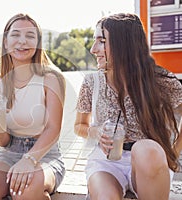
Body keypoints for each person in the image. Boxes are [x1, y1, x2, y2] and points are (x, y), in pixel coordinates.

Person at [74, 13, 182, 200]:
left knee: (145, 148)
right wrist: (96, 132)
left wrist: (173, 153)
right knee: (106, 196)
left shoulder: (160, 81)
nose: (93, 49)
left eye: (101, 41)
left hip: (147, 161)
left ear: (124, 44)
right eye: (94, 41)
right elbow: (79, 126)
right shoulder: (92, 82)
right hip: (106, 162)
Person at [0, 13, 66, 200]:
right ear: (6, 42)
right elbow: (1, 142)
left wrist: (29, 160)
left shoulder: (51, 79)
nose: (22, 41)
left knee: (26, 190)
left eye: (30, 36)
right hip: (8, 154)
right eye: (15, 35)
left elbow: (53, 128)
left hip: (44, 155)